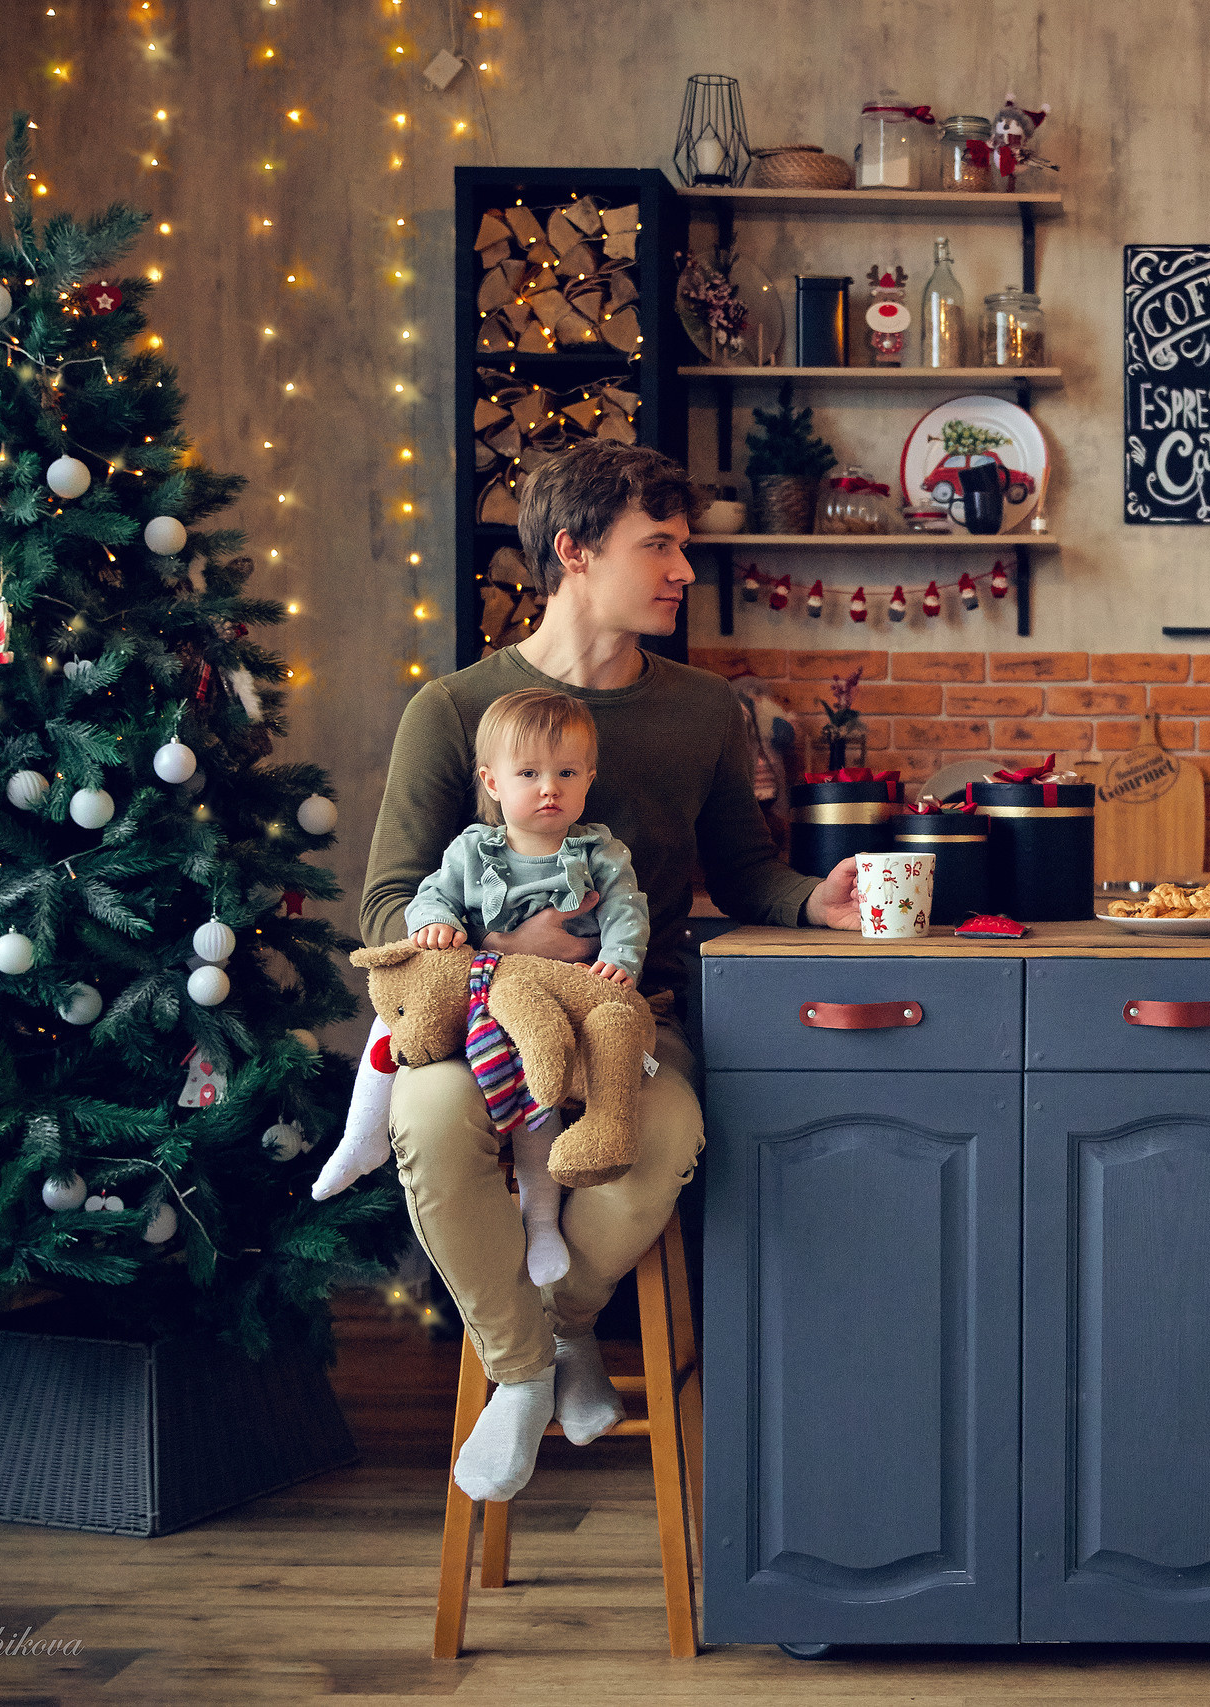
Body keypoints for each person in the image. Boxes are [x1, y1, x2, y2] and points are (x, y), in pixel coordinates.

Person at [345, 440, 860, 1504]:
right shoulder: (453, 711)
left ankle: (555, 1328)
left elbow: (746, 872)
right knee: (428, 1124)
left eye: (682, 546)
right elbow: (387, 905)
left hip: (632, 1017)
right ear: (574, 551)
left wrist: (814, 900)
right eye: (658, 545)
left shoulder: (704, 711)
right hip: (479, 1020)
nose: (683, 570)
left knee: (659, 1142)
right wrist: (503, 954)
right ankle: (527, 1373)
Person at [404, 687, 647, 1289]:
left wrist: (619, 961)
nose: (549, 789)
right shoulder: (472, 850)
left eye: (567, 773)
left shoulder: (600, 852)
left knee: (541, 1090)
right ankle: (360, 1138)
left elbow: (626, 912)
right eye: (529, 774)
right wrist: (435, 924)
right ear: (492, 782)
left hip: (564, 998)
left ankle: (542, 1220)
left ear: (589, 779)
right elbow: (428, 898)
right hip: (489, 992)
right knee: (398, 1028)